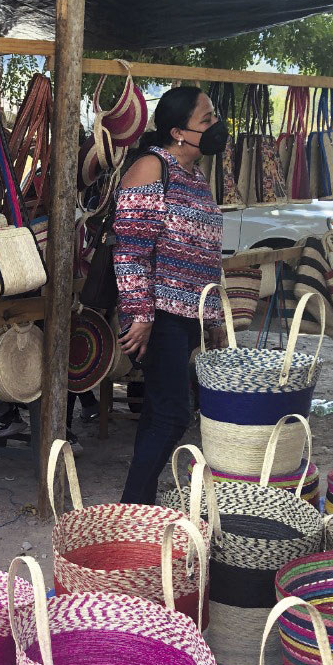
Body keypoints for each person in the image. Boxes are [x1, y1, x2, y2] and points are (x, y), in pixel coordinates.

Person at [113, 86, 228, 505]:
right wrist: (140, 314)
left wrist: (212, 318)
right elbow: (130, 251)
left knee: (160, 413)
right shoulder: (150, 168)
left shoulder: (195, 177)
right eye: (207, 119)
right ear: (179, 131)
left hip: (188, 316)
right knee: (175, 413)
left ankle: (136, 507)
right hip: (158, 314)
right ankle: (131, 509)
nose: (216, 126)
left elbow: (205, 253)